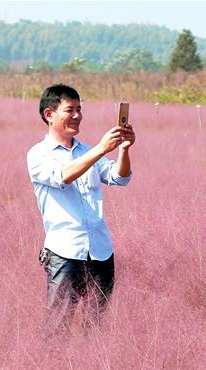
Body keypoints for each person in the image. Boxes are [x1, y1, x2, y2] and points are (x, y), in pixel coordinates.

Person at [26, 84, 135, 333]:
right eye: (70, 110)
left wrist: (123, 150)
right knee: (58, 327)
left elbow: (120, 177)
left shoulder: (87, 151)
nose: (77, 116)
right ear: (49, 114)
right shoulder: (38, 154)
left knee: (95, 327)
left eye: (79, 109)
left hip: (100, 252)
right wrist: (100, 149)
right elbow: (63, 176)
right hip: (65, 253)